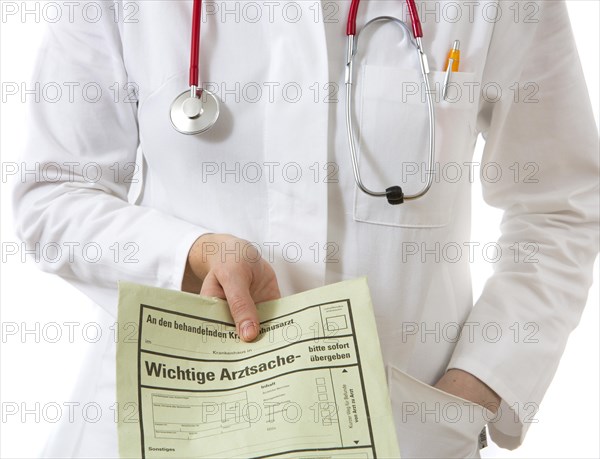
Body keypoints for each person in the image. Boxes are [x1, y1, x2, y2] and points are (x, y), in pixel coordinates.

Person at [12, 0, 598, 457]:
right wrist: (191, 253)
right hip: (171, 428)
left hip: (401, 433)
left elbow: (559, 204)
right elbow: (53, 193)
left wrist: (480, 384)